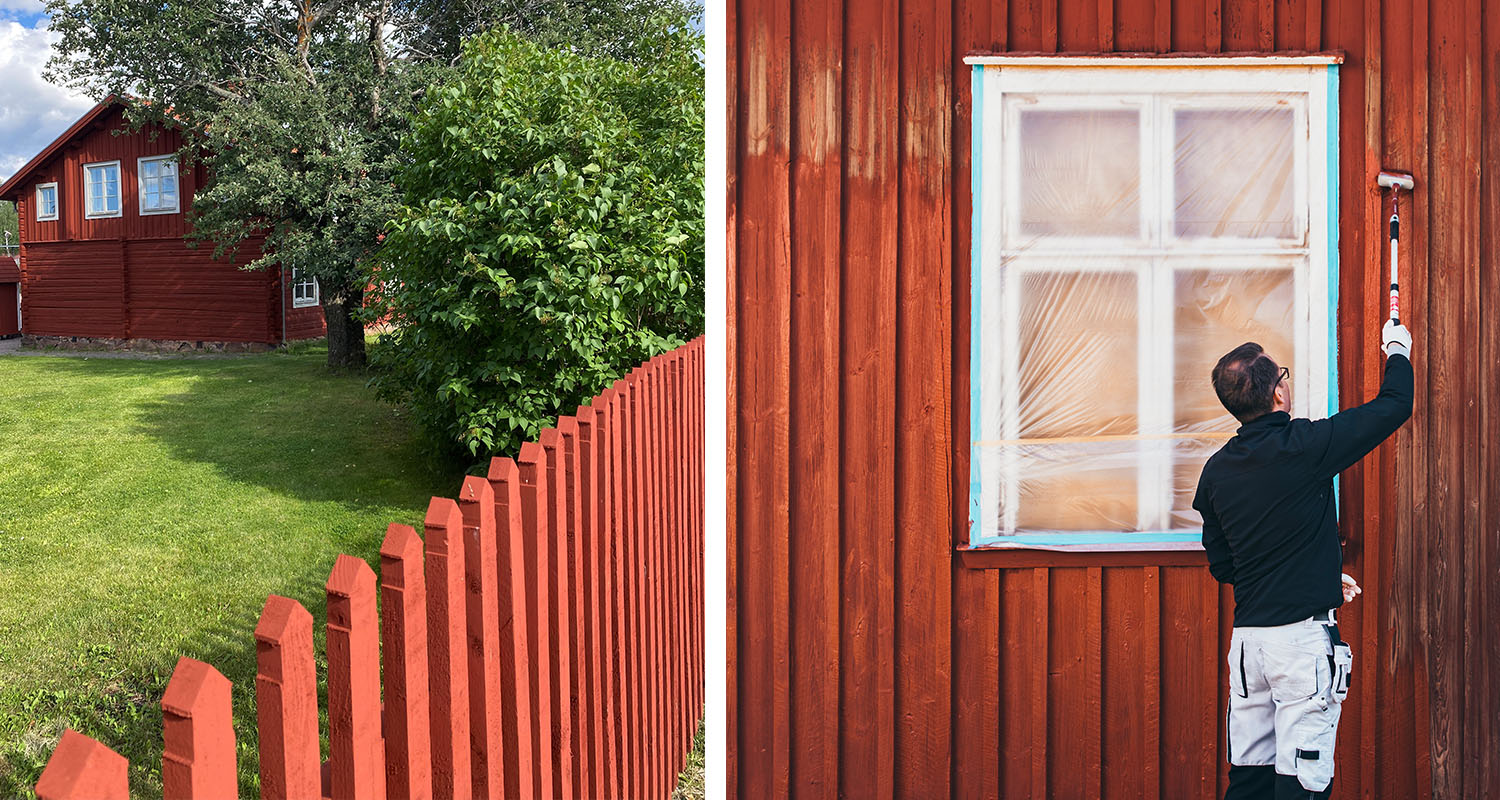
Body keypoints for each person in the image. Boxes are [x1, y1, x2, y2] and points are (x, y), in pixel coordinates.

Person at [1194, 320, 1413, 799]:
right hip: (1300, 650)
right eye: (1282, 377)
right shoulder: (1305, 446)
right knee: (1301, 787)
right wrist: (1397, 350)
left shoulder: (1215, 473)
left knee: (1248, 783)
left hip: (1250, 648)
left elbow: (1225, 566)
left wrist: (1319, 573)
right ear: (1279, 392)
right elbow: (1395, 406)